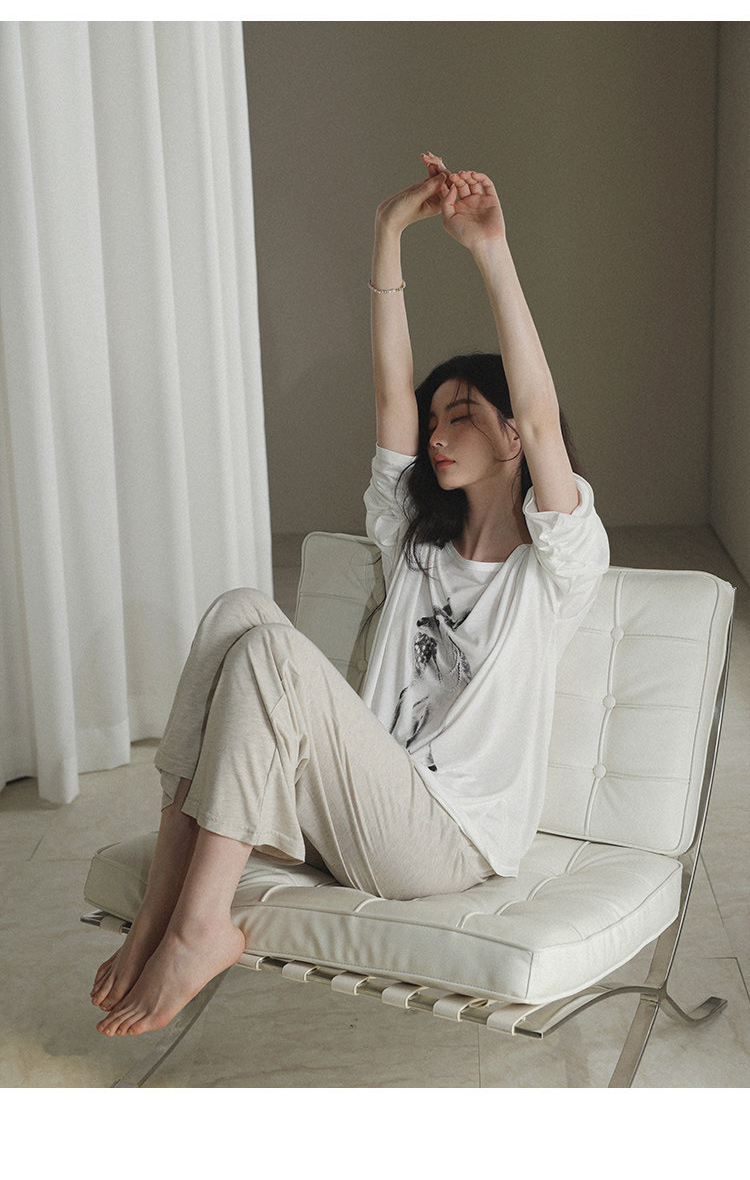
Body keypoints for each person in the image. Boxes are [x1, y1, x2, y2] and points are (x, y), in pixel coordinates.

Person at [91, 153, 609, 1038]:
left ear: (514, 439)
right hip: (361, 812)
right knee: (239, 612)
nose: (437, 435)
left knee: (273, 654)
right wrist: (388, 231)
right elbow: (387, 387)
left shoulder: (556, 566)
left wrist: (490, 250)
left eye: (461, 418)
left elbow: (540, 408)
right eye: (433, 418)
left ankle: (202, 926)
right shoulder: (414, 541)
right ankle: (161, 914)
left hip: (445, 841)